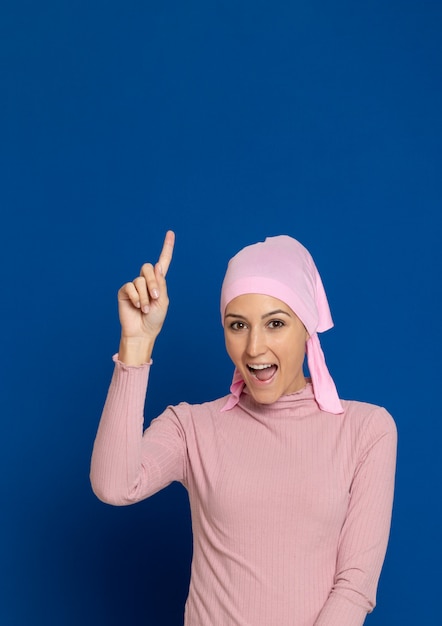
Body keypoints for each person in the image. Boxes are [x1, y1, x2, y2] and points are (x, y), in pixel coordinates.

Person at [90, 231, 397, 626]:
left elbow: (355, 586)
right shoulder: (192, 428)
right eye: (238, 325)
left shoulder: (367, 430)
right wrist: (136, 343)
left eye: (275, 323)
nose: (254, 347)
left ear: (307, 327)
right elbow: (114, 485)